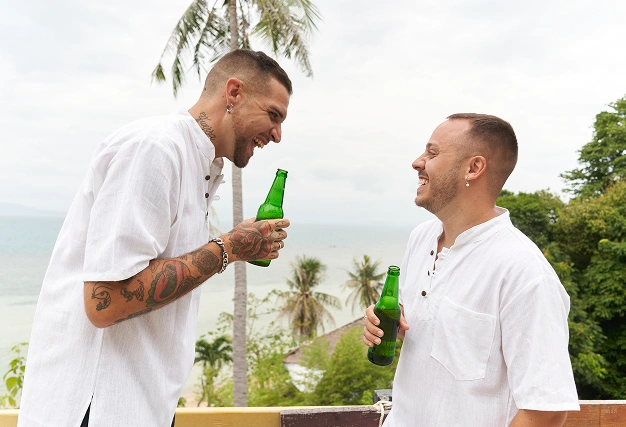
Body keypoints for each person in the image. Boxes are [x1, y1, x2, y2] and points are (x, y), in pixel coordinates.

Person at [18, 49, 292, 427]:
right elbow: (106, 302)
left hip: (139, 407)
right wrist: (228, 248)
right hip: (95, 409)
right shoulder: (155, 149)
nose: (277, 135)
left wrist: (233, 250)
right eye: (273, 115)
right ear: (234, 93)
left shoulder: (200, 166)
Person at [362, 114, 580, 427]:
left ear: (473, 168)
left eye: (432, 153)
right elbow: (425, 324)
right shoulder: (421, 238)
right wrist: (383, 323)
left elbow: (545, 410)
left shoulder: (524, 272)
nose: (417, 162)